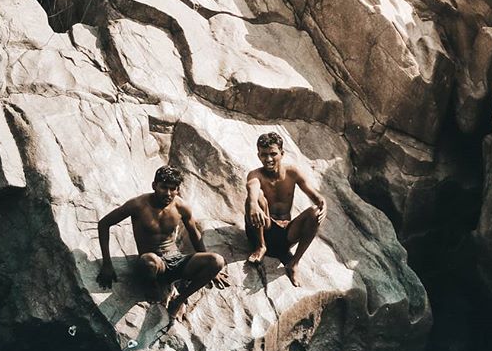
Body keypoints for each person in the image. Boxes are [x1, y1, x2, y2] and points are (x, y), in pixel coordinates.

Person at [96, 166, 228, 320]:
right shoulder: (138, 205)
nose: (168, 193)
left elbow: (194, 234)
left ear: (178, 189)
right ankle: (153, 286)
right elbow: (104, 224)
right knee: (148, 261)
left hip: (176, 260)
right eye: (164, 187)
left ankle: (177, 301)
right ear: (154, 186)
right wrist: (107, 264)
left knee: (217, 261)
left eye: (173, 189)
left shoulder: (181, 207)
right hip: (154, 265)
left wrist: (211, 270)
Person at [245, 132, 327, 287]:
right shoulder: (256, 175)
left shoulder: (292, 173)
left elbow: (317, 197)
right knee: (257, 198)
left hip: (285, 236)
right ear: (258, 155)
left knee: (315, 212)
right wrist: (253, 203)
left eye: (273, 154)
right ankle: (261, 247)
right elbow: (252, 188)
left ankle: (293, 263)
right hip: (263, 230)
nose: (268, 159)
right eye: (264, 155)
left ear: (282, 154)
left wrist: (324, 204)